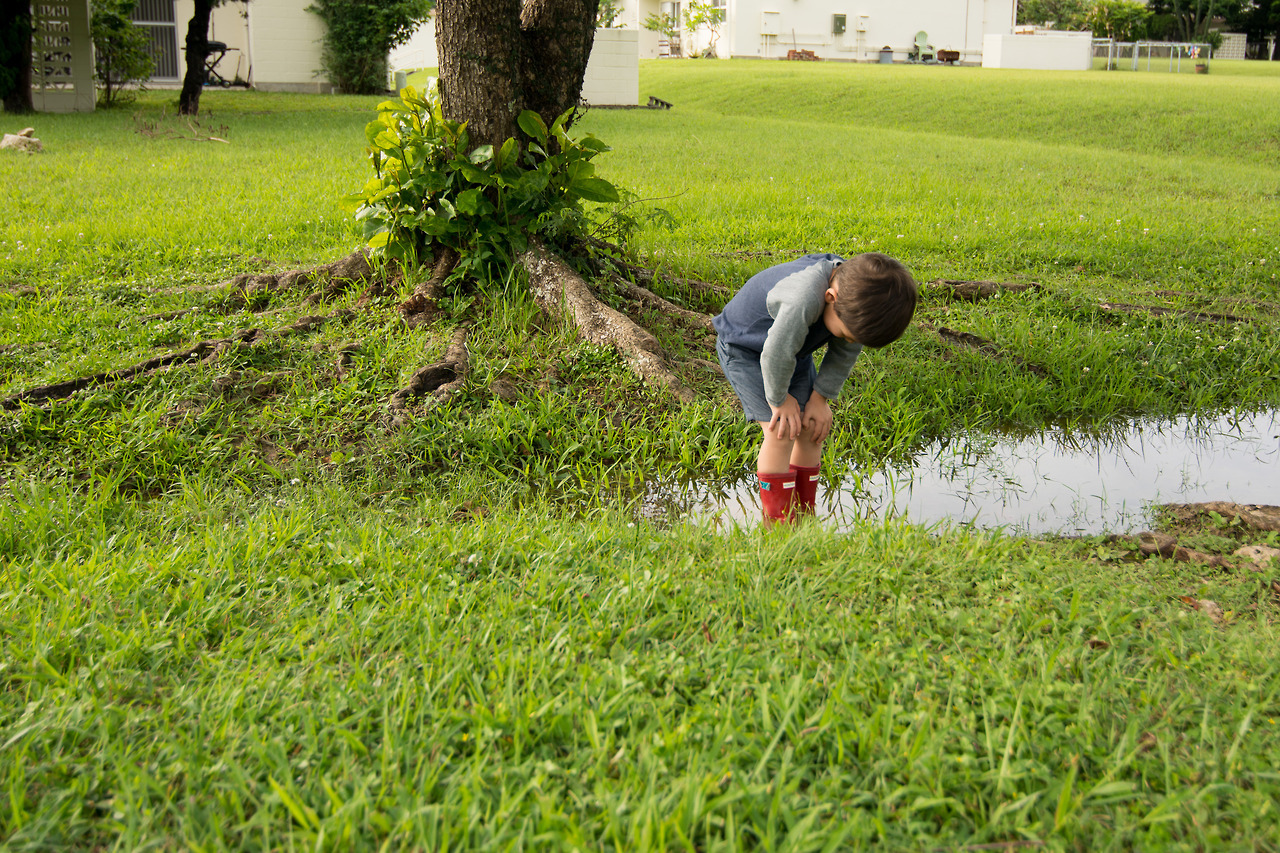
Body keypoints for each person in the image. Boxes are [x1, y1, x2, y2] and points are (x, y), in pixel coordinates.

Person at [712, 252, 918, 524]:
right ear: (830, 298)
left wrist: (820, 399)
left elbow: (843, 353)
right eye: (845, 334)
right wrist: (779, 400)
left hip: (792, 352)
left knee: (811, 427)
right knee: (781, 431)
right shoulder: (803, 297)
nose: (847, 341)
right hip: (745, 349)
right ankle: (778, 525)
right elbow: (776, 353)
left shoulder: (855, 295)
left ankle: (803, 517)